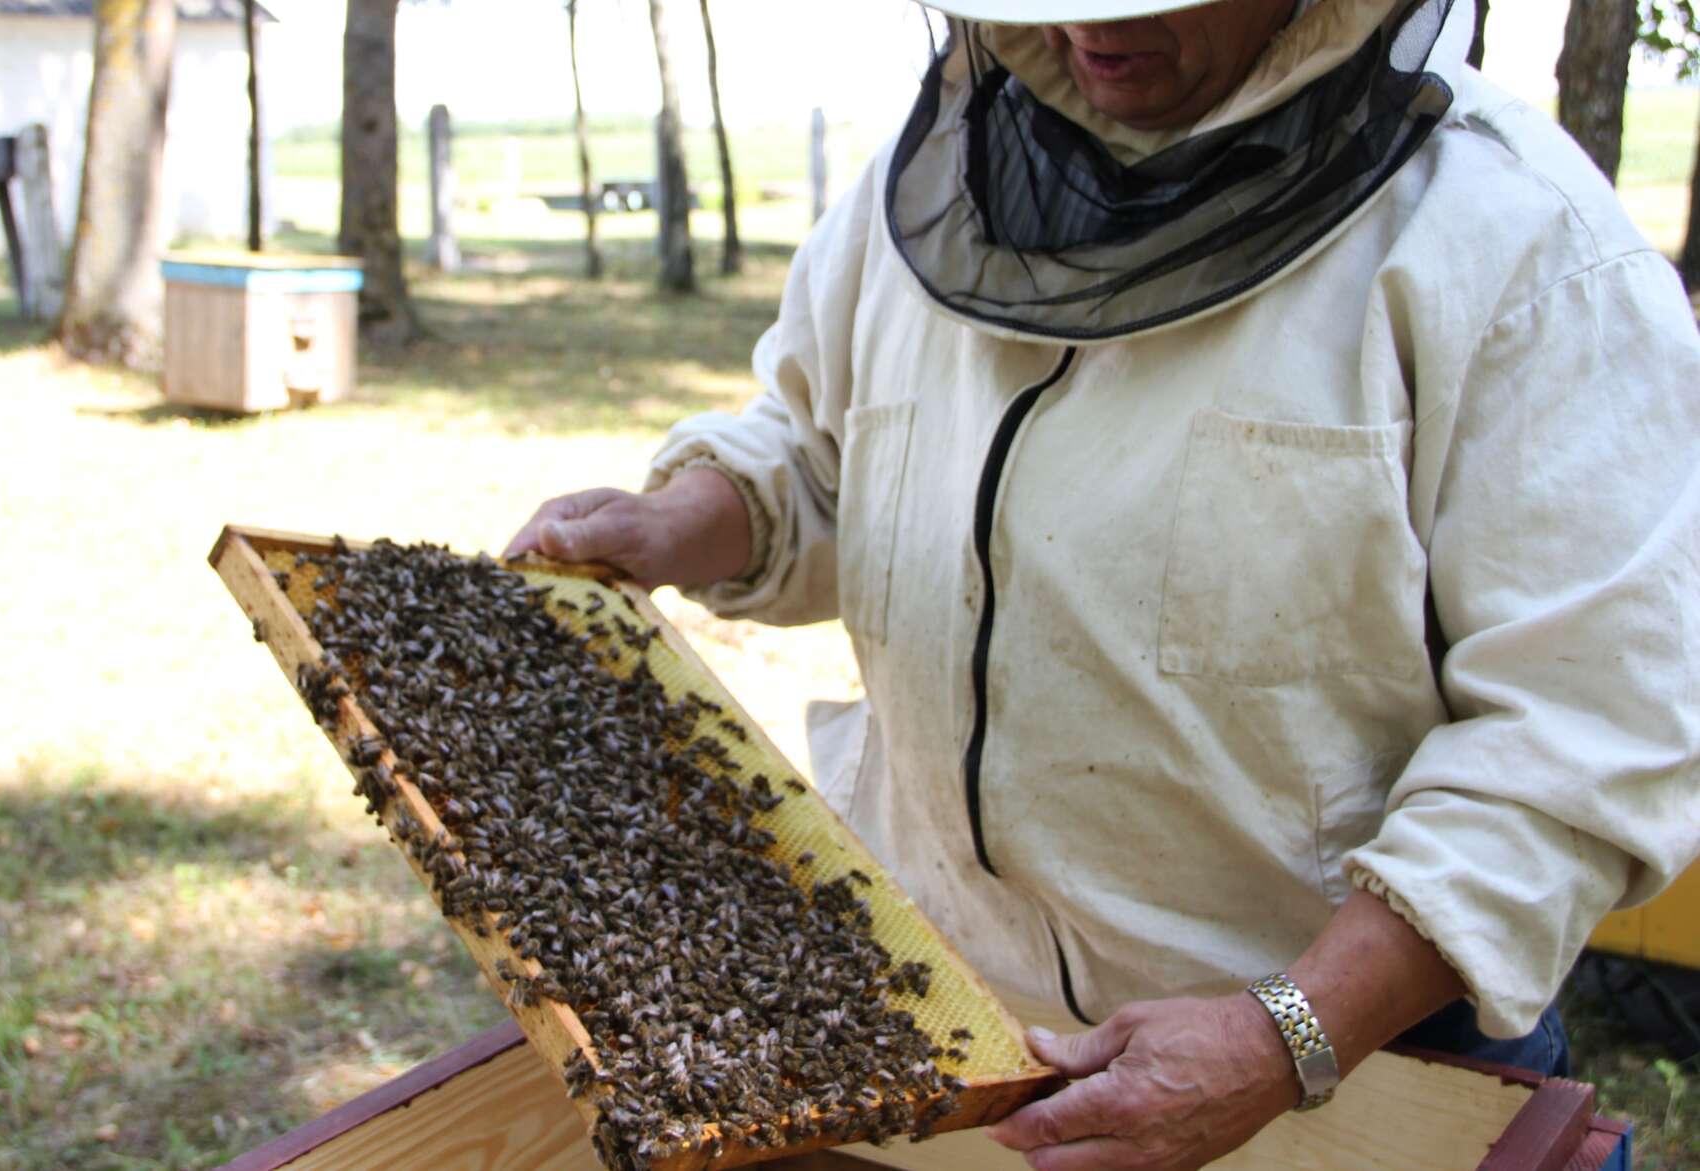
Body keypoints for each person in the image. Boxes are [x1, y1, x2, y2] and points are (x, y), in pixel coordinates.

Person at [509, 0, 1700, 1167]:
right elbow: (828, 455)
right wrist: (682, 519)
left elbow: (1579, 732)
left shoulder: (1521, 247)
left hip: (1345, 1060)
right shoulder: (919, 189)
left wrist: (1286, 1034)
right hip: (937, 1003)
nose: (1088, 29)